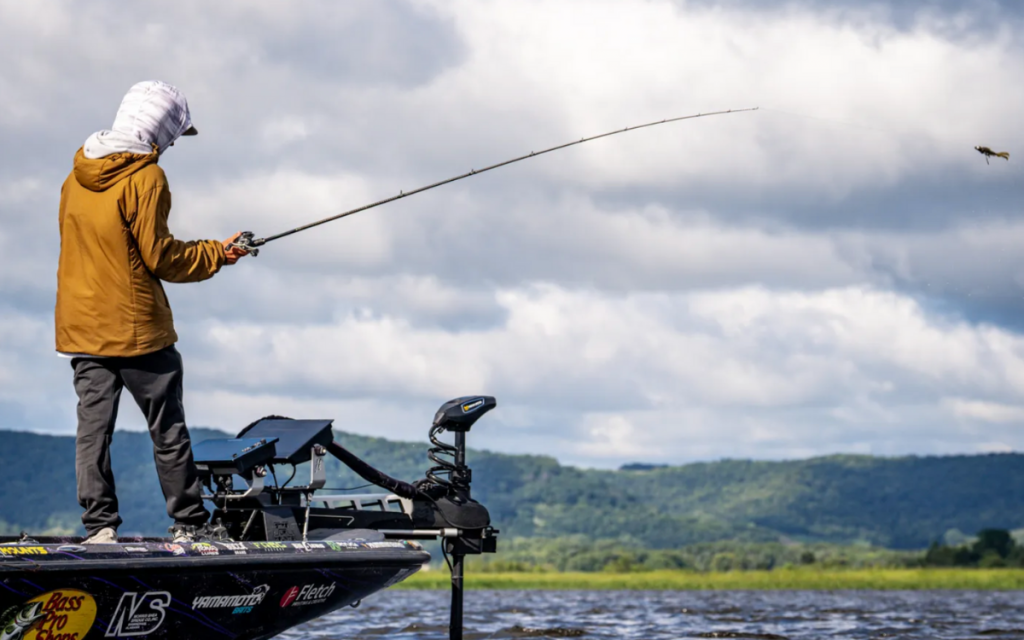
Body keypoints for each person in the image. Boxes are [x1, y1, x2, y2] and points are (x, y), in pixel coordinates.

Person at [55, 80, 249, 544]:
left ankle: (99, 527)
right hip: (138, 329)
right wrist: (217, 254)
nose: (172, 144)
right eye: (173, 135)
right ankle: (191, 524)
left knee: (92, 432)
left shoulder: (74, 177)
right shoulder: (147, 177)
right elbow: (159, 256)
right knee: (167, 429)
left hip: (81, 329)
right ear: (159, 129)